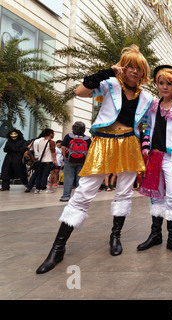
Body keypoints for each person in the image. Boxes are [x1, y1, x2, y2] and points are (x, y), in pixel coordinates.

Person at [36, 44, 151, 274]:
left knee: (124, 192)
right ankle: (58, 248)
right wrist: (107, 72)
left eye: (139, 68)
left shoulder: (146, 97)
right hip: (103, 143)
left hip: (129, 144)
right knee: (84, 192)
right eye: (130, 67)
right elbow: (80, 91)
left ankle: (115, 236)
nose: (135, 72)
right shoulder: (110, 85)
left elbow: (151, 122)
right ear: (123, 67)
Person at [137, 65, 172, 255]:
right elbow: (148, 127)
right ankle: (155, 235)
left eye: (169, 83)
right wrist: (145, 145)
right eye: (161, 83)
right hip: (155, 157)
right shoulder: (153, 106)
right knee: (156, 196)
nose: (165, 87)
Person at [59, 121, 92, 201]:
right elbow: (90, 151)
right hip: (82, 161)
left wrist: (65, 158)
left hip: (69, 160)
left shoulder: (68, 136)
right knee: (80, 180)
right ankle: (79, 197)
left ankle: (66, 196)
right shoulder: (87, 139)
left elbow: (63, 147)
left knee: (68, 178)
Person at [34, 128, 57, 193]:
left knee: (40, 175)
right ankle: (43, 188)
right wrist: (55, 160)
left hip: (40, 161)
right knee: (45, 175)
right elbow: (53, 151)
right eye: (53, 133)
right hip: (48, 160)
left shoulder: (40, 141)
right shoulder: (51, 142)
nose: (53, 135)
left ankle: (38, 188)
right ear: (50, 134)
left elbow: (38, 150)